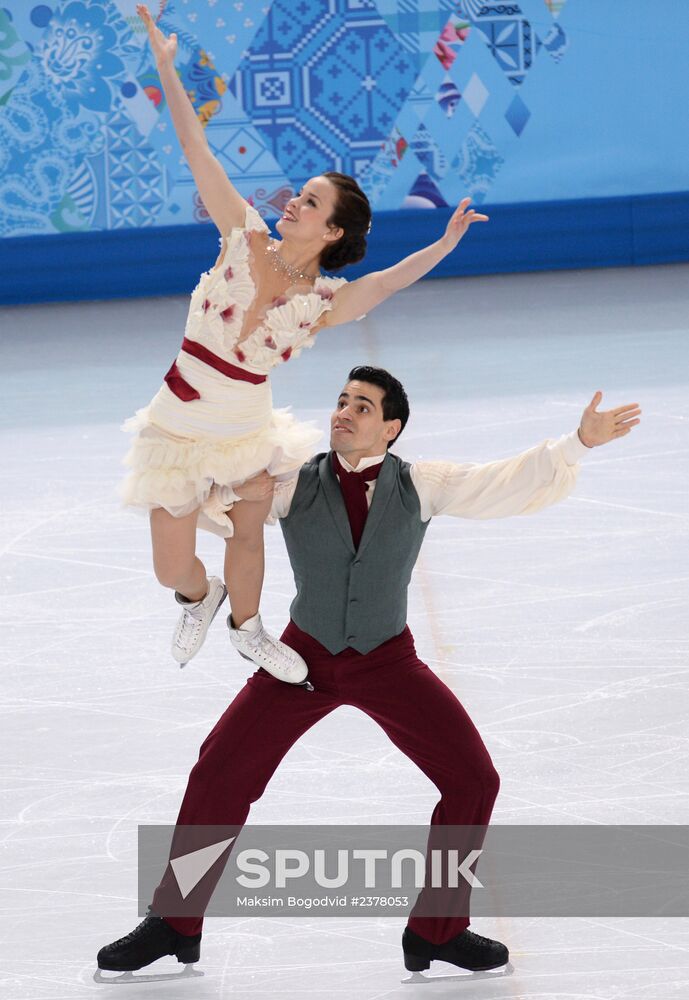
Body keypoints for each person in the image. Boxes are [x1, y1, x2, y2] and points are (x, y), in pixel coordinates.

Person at [97, 366, 642, 978]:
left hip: (388, 660)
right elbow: (219, 511)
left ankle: (436, 931)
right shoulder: (290, 483)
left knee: (472, 779)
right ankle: (175, 921)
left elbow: (500, 482)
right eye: (341, 401)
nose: (344, 413)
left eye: (362, 406)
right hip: (302, 661)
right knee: (219, 770)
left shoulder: (423, 483)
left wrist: (579, 443)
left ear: (391, 427)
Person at [126, 6, 489, 687]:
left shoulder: (321, 304)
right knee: (169, 564)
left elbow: (380, 285)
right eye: (302, 195)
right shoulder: (241, 232)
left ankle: (249, 630)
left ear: (330, 232)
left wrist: (441, 245)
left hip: (241, 427)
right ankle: (198, 598)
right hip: (176, 419)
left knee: (246, 530)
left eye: (312, 203)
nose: (294, 202)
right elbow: (195, 149)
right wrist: (167, 69)